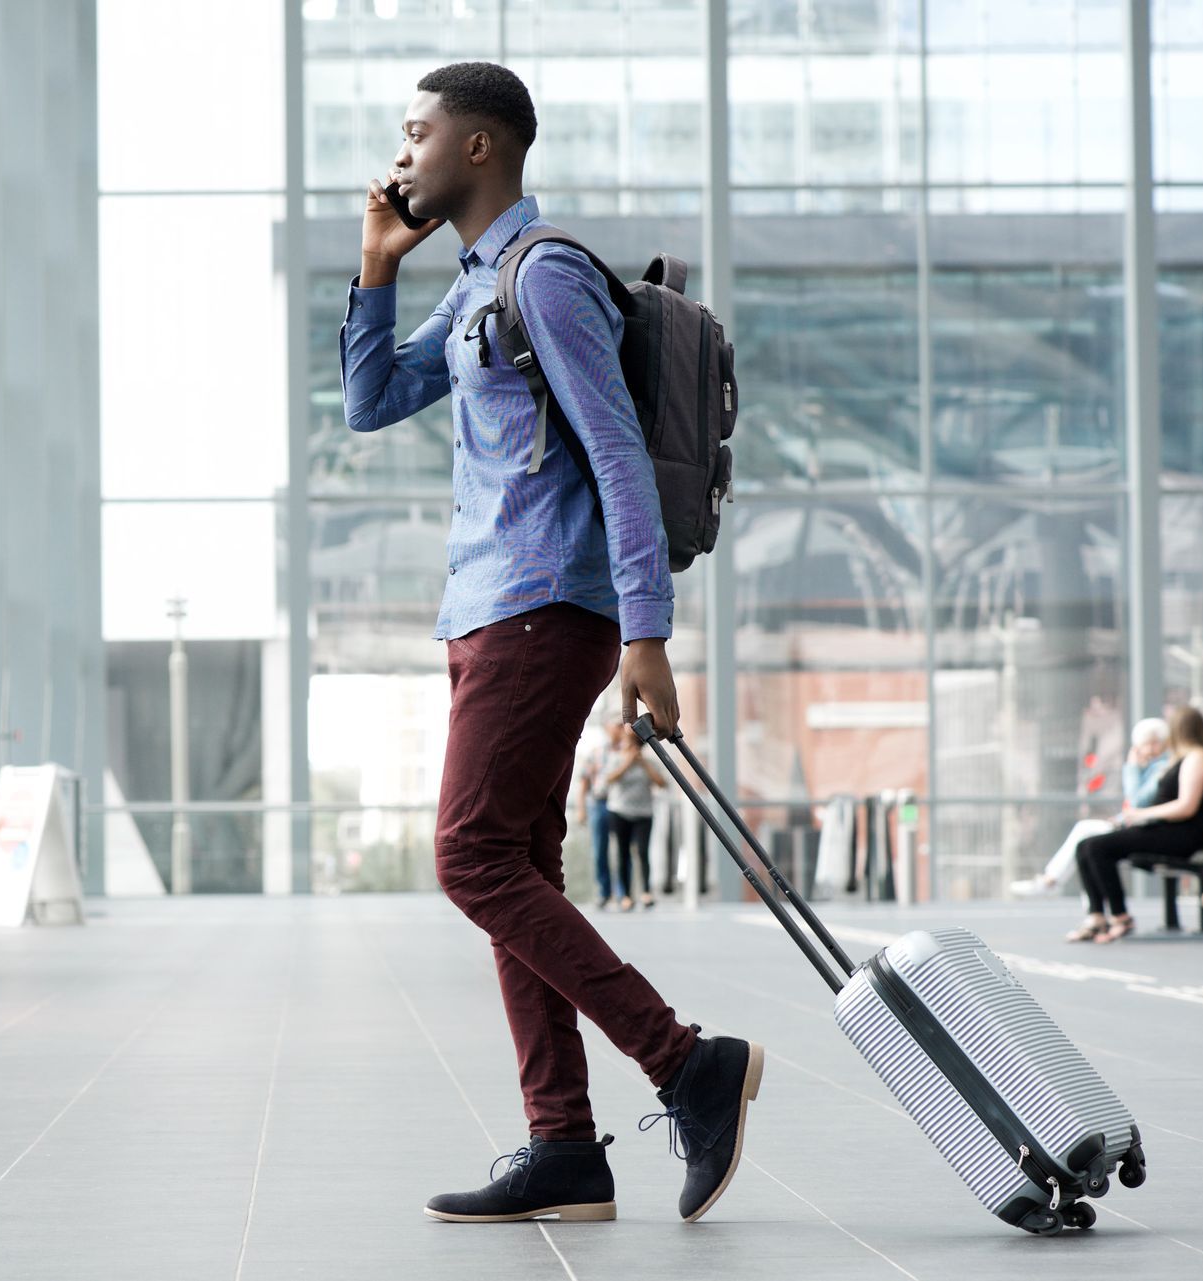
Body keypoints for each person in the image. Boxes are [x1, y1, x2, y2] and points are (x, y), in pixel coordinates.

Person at [341, 60, 762, 1226]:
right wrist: (379, 266)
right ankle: (565, 1146)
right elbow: (372, 401)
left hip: (545, 606)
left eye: (418, 134)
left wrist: (647, 635)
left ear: (479, 149)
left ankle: (685, 1064)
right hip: (487, 611)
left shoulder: (549, 275)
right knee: (515, 869)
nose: (401, 154)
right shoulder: (473, 281)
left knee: (470, 858)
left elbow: (619, 456)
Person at [1068, 706, 1203, 943]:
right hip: (1164, 829)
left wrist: (1142, 814)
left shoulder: (1197, 758)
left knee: (1098, 847)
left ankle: (1121, 917)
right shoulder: (1176, 759)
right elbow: (1137, 798)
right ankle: (1097, 915)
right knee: (1085, 846)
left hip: (1182, 835)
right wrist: (1134, 770)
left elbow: (1187, 806)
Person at [1010, 717, 1169, 897]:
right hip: (1139, 826)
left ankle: (1053, 882)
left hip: (1151, 832)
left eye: (1152, 744)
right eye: (1144, 745)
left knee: (1089, 840)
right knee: (1086, 843)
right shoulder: (1151, 768)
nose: (1147, 750)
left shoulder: (1160, 768)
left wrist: (1131, 767)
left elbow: (1137, 802)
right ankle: (1085, 904)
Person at [603, 721, 667, 910]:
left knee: (642, 852)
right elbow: (609, 779)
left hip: (644, 813)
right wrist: (628, 763)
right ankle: (626, 896)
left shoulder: (650, 761)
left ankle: (646, 892)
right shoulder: (616, 758)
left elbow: (662, 783)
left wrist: (643, 763)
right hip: (619, 811)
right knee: (622, 854)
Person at [574, 726, 620, 909]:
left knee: (623, 850)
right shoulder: (596, 754)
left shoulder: (631, 752)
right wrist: (581, 809)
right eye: (616, 725)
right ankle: (604, 892)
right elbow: (584, 782)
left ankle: (623, 893)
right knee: (599, 849)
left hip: (621, 804)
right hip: (599, 803)